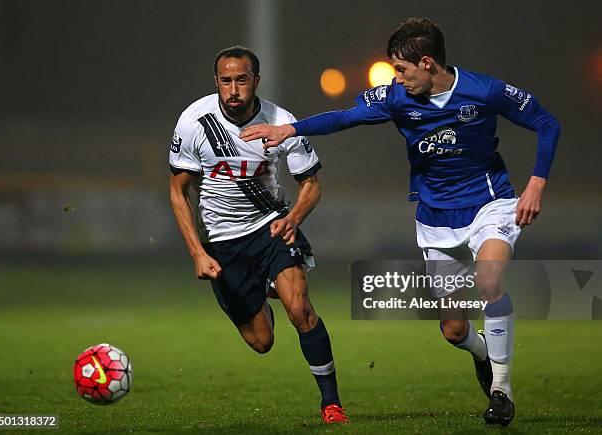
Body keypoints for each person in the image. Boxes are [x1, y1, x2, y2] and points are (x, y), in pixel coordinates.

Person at [240, 18, 560, 427]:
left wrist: (535, 186)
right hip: (435, 220)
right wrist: (289, 129)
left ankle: (501, 390)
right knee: (454, 330)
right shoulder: (396, 98)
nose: (398, 78)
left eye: (402, 70)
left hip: (490, 205)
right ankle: (481, 352)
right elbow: (345, 117)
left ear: (427, 63)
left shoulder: (485, 90)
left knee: (489, 279)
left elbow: (547, 123)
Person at [168, 46, 348, 424]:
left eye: (242, 80)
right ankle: (263, 293)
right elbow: (178, 191)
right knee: (262, 342)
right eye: (226, 81)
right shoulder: (193, 121)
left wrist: (294, 217)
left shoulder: (281, 121)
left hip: (273, 228)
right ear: (217, 82)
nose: (234, 89)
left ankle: (331, 404)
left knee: (300, 309)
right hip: (223, 242)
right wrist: (198, 253)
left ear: (256, 81)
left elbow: (311, 183)